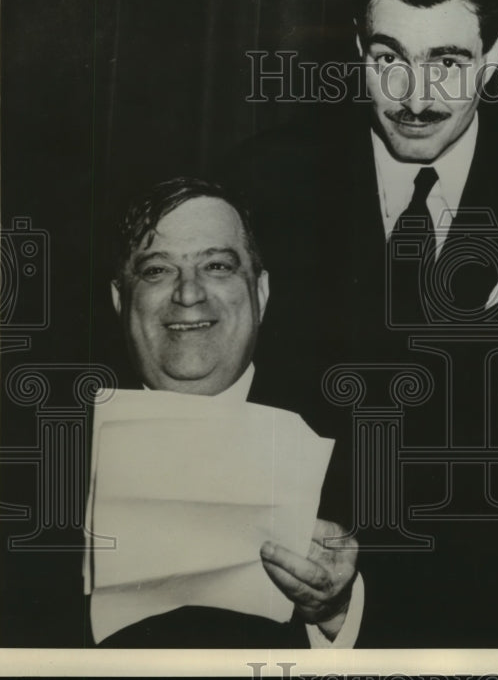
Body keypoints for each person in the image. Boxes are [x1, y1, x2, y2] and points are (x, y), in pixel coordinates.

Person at [222, 0, 498, 646]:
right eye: (390, 59)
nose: (415, 97)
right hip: (288, 616)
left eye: (448, 62)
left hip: (491, 621)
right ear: (358, 51)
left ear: (496, 58)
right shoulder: (267, 183)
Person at [98, 176, 361, 648]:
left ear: (260, 292)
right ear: (121, 298)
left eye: (216, 265)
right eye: (157, 270)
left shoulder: (363, 451)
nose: (188, 294)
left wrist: (337, 612)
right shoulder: (39, 464)